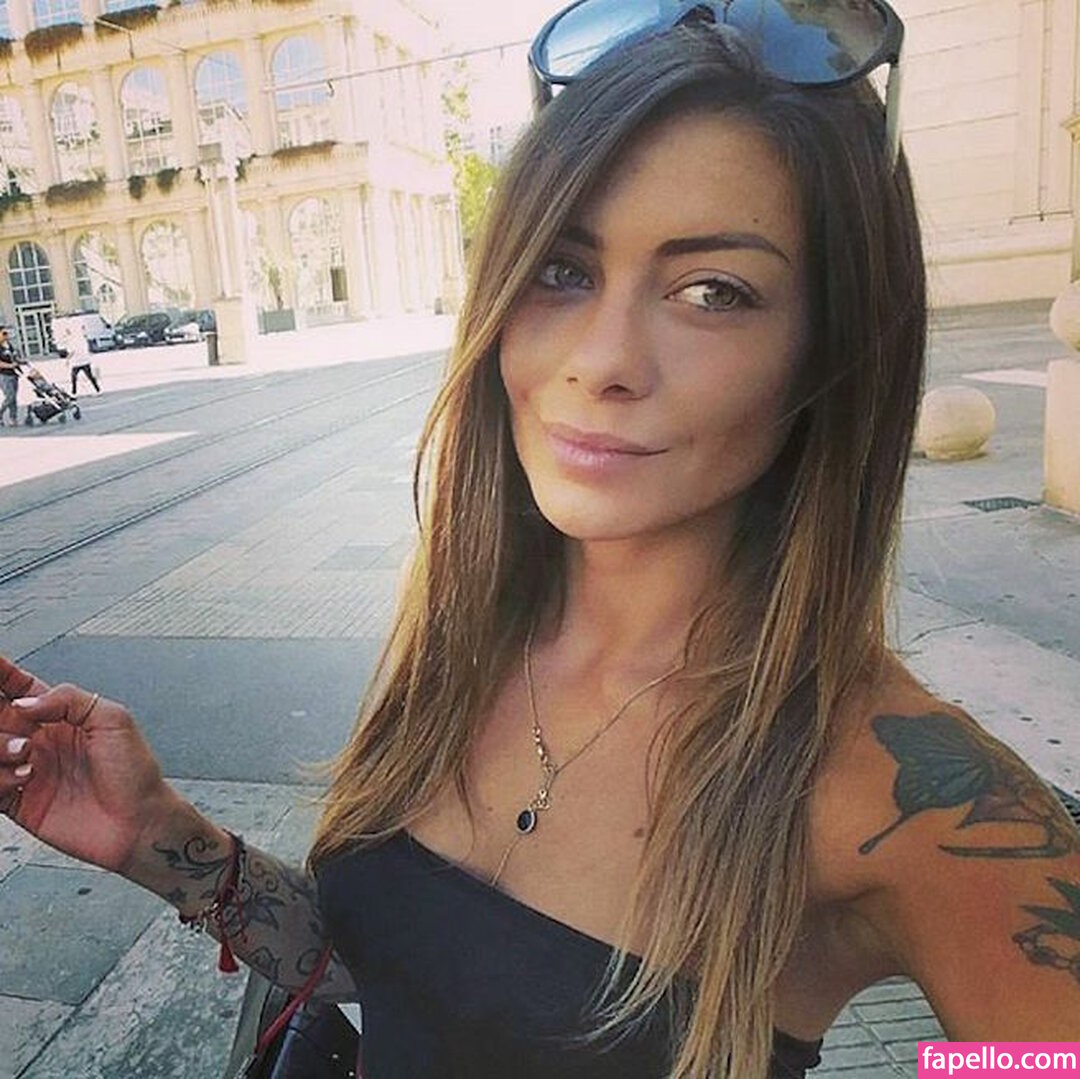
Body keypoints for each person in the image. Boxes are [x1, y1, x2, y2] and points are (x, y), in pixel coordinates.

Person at [1, 4, 1078, 1076]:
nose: (600, 359)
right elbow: (393, 971)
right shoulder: (469, 638)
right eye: (562, 270)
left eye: (713, 291)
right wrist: (156, 834)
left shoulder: (910, 798)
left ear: (830, 349)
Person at [60, 321, 101, 395]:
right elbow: (84, 339)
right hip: (85, 360)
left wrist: (67, 360)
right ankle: (97, 389)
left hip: (77, 362)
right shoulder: (80, 338)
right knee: (89, 376)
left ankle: (74, 392)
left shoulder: (71, 341)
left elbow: (72, 352)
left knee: (74, 377)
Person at [0, 327, 19, 428]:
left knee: (14, 398)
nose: (6, 335)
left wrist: (18, 361)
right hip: (4, 375)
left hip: (14, 373)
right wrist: (10, 366)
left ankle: (13, 418)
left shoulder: (9, 345)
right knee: (10, 396)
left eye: (6, 333)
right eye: (4, 333)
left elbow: (14, 357)